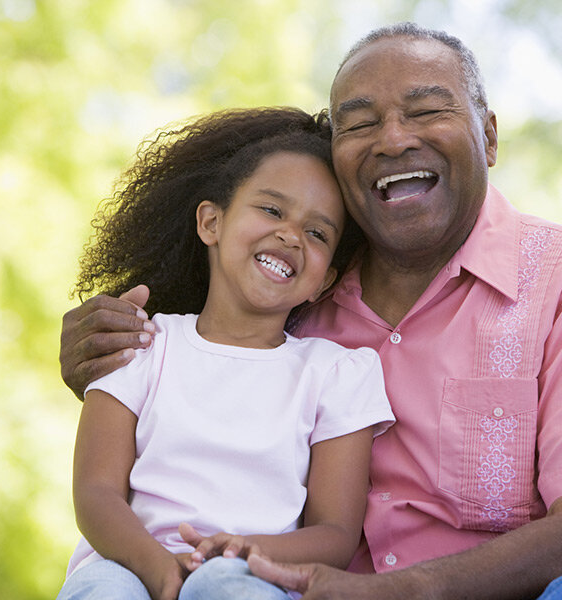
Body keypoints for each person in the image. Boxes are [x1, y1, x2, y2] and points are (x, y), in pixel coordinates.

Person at [59, 22, 562, 600]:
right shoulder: (293, 294)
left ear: (490, 137)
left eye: (425, 111)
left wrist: (406, 590)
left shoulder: (551, 281)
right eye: (360, 123)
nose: (393, 139)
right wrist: (97, 350)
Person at [56, 106, 395, 600]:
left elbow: (335, 536)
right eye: (272, 210)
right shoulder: (141, 343)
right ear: (211, 222)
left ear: (324, 282)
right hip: (127, 559)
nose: (290, 235)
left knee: (226, 586)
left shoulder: (336, 373)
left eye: (317, 233)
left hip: (253, 569)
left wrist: (239, 551)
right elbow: (95, 494)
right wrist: (161, 568)